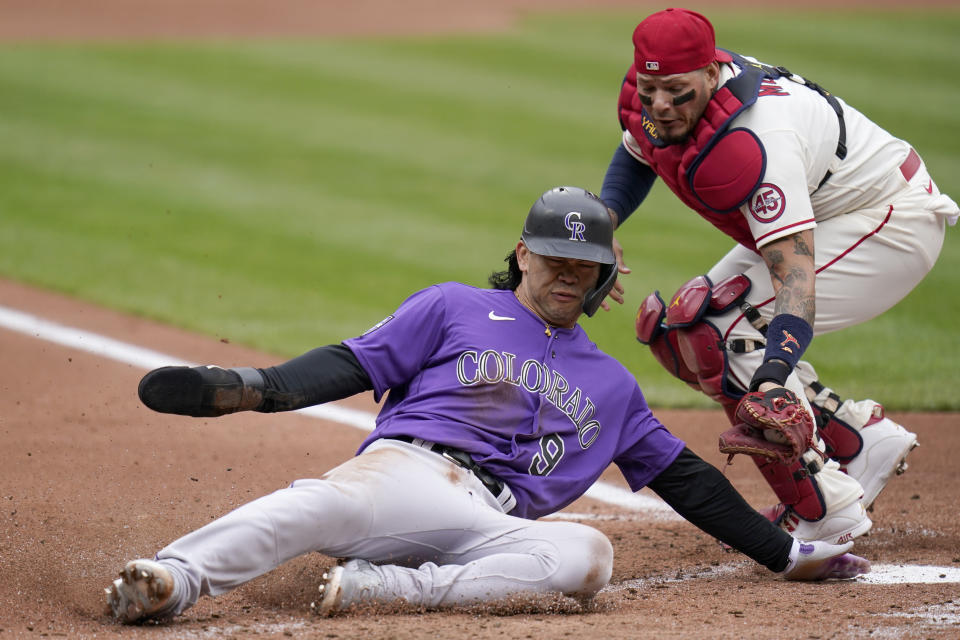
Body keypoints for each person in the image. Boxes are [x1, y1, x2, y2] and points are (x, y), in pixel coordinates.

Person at [104, 186, 869, 624]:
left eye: (588, 266)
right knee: (303, 510)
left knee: (585, 556)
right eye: (557, 259)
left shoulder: (613, 386)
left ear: (607, 275)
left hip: (484, 526)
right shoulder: (454, 306)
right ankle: (170, 582)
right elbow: (353, 361)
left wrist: (783, 554)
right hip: (402, 475)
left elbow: (686, 480)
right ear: (525, 253)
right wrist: (260, 389)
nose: (570, 276)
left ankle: (386, 592)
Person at [600, 8, 958, 545]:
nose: (659, 105)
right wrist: (604, 220)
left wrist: (773, 372)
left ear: (709, 71)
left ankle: (823, 505)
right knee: (679, 335)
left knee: (717, 330)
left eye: (675, 91)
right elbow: (641, 148)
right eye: (649, 89)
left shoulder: (757, 140)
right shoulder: (661, 103)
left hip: (889, 219)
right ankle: (859, 441)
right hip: (834, 212)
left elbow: (796, 280)